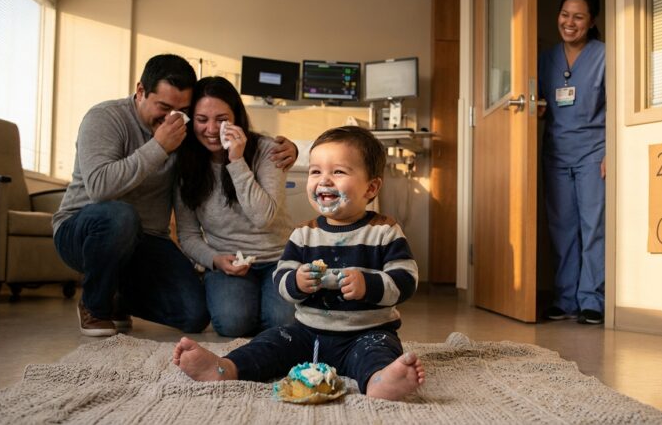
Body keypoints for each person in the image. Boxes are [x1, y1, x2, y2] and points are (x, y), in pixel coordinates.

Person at [172, 126, 425, 401]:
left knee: (379, 351)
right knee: (270, 341)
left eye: (338, 172)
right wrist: (297, 282)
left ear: (371, 187)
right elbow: (281, 276)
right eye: (316, 171)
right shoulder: (303, 234)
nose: (324, 180)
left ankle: (380, 381)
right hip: (308, 333)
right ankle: (225, 367)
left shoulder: (385, 231)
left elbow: (406, 278)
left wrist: (369, 284)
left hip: (366, 333)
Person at [53, 54, 298, 337]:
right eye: (164, 107)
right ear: (141, 91)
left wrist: (291, 150)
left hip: (148, 239)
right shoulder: (105, 118)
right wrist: (159, 146)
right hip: (87, 232)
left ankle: (117, 296)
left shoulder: (188, 138)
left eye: (182, 110)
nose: (172, 118)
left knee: (195, 315)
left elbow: (228, 140)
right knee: (120, 215)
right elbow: (100, 188)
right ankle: (95, 306)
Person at [174, 76, 295, 337]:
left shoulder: (268, 150)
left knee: (283, 323)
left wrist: (236, 160)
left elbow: (263, 218)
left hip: (278, 258)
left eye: (222, 119)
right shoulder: (185, 162)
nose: (211, 129)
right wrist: (215, 260)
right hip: (227, 260)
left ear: (236, 118)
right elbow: (188, 234)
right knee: (233, 324)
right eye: (202, 119)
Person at [538, 0, 606, 325]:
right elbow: (538, 101)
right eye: (565, 15)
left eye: (578, 17)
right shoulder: (546, 58)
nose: (569, 22)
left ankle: (592, 299)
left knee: (593, 227)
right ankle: (565, 299)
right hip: (556, 153)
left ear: (591, 22)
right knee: (562, 228)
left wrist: (612, 153)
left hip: (594, 152)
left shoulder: (604, 56)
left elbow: (617, 105)